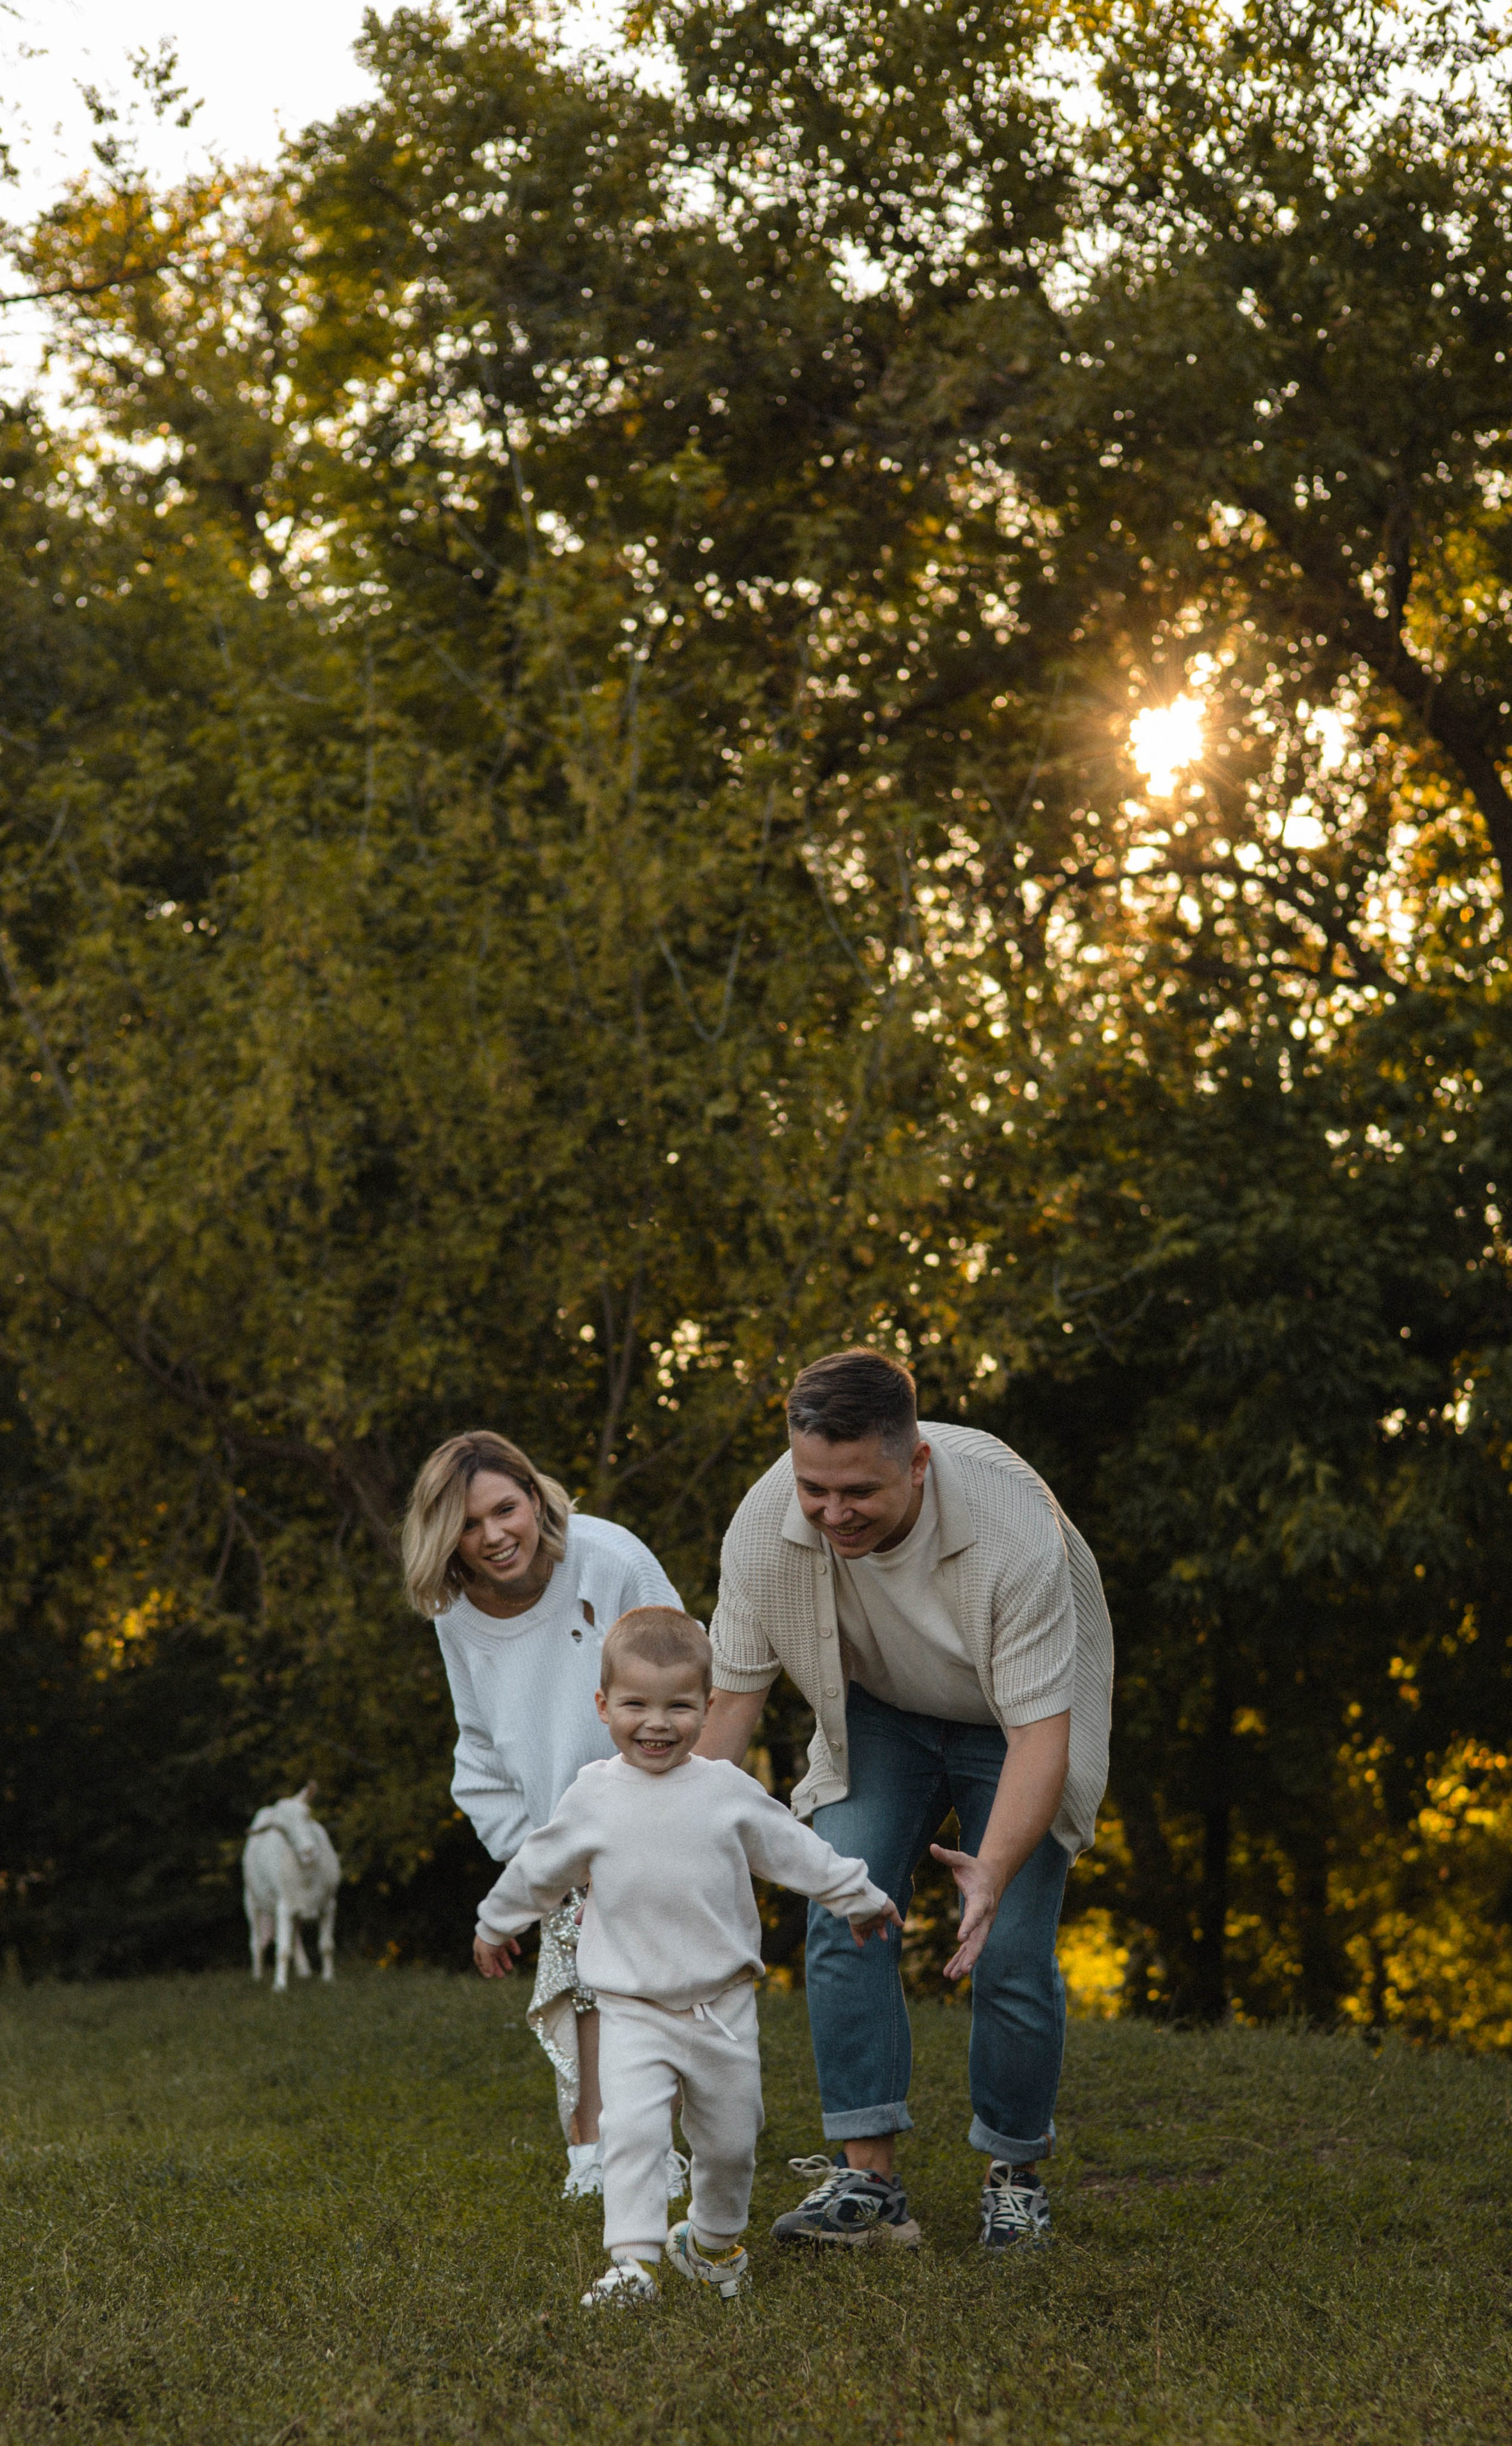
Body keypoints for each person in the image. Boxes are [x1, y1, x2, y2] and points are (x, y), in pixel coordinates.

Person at [696, 1348, 1113, 2251]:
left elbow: (1044, 1735)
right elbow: (731, 1707)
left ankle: (1015, 2174)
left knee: (1006, 1947)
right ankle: (869, 2189)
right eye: (816, 1488)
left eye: (859, 1493)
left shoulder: (1016, 1536)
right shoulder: (765, 1527)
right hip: (881, 1711)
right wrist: (671, 1845)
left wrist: (991, 1868)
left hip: (1014, 1720)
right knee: (842, 1910)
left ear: (916, 1462)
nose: (833, 1513)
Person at [473, 1605, 901, 2306]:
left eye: (678, 1705)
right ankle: (633, 2264)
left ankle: (710, 2241)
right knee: (633, 2130)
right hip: (630, 2007)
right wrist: (496, 1924)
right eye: (636, 1704)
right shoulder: (594, 1795)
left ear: (706, 1706)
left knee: (732, 2140)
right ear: (603, 1705)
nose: (657, 1723)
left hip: (722, 2008)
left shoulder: (725, 1792)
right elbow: (538, 1866)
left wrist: (857, 1895)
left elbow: (795, 1850)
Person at [401, 1428, 684, 2199]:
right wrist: (539, 1866)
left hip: (654, 1818)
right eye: (468, 1524)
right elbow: (483, 1747)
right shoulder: (454, 1615)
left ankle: (655, 2152)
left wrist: (661, 1820)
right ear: (444, 1539)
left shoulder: (611, 1562)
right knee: (580, 1996)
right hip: (558, 1848)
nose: (494, 1535)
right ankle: (593, 2158)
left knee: (649, 1999)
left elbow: (687, 1679)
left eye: (506, 1508)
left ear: (534, 1497)